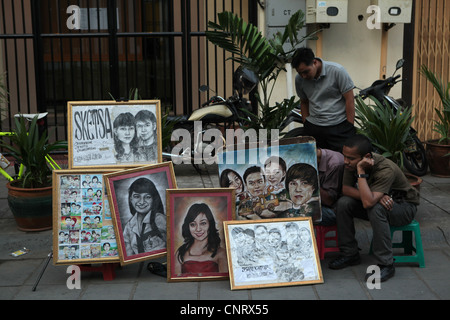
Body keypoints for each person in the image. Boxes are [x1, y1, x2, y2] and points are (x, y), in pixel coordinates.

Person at [329, 134, 419, 282]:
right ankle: (350, 254)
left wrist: (361, 174)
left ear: (366, 157)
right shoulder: (350, 163)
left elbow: (368, 203)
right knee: (343, 203)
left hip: (403, 206)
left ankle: (386, 264)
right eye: (344, 156)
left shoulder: (385, 168)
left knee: (375, 208)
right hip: (376, 201)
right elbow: (345, 189)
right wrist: (372, 195)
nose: (345, 161)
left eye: (350, 158)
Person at [292, 47, 356, 152]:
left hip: (339, 126)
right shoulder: (299, 80)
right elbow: (304, 102)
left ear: (314, 62)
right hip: (314, 127)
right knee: (317, 162)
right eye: (300, 73)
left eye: (306, 72)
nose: (303, 76)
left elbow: (350, 100)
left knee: (343, 161)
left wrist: (349, 127)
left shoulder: (337, 71)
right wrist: (306, 124)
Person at [175, 203, 227, 275]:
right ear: (188, 226)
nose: (198, 229)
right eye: (193, 224)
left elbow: (223, 281)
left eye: (203, 223)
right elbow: (176, 281)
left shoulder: (221, 253)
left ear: (210, 224)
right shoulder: (180, 253)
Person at [122, 178, 166, 256]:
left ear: (154, 199)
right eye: (136, 196)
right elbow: (128, 255)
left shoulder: (160, 219)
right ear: (131, 199)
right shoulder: (129, 227)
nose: (142, 202)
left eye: (147, 197)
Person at [316, 148, 345, 226]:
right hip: (321, 203)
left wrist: (311, 181)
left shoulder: (335, 164)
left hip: (333, 210)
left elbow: (329, 201)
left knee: (295, 213)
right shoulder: (317, 158)